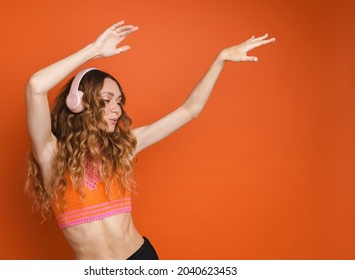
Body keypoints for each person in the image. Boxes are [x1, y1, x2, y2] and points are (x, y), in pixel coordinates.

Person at [25, 20, 275, 260]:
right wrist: (95, 51)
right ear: (78, 103)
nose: (117, 109)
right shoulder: (51, 154)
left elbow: (190, 110)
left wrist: (220, 59)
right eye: (107, 99)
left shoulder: (124, 146)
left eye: (119, 101)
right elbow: (36, 85)